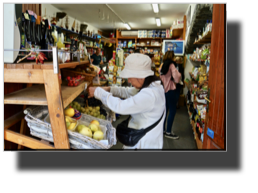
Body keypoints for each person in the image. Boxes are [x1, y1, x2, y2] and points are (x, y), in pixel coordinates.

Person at [88, 54, 166, 149]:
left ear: (140, 77)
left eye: (130, 77)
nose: (128, 80)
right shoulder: (152, 86)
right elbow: (126, 91)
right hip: (142, 137)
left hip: (143, 143)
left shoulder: (150, 95)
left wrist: (98, 92)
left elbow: (120, 106)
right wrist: (108, 89)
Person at [159, 50, 182, 139]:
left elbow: (160, 74)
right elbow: (177, 78)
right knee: (172, 111)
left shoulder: (162, 65)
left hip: (163, 90)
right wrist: (178, 73)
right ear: (172, 57)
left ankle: (163, 130)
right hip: (171, 90)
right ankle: (168, 132)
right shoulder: (172, 65)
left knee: (165, 110)